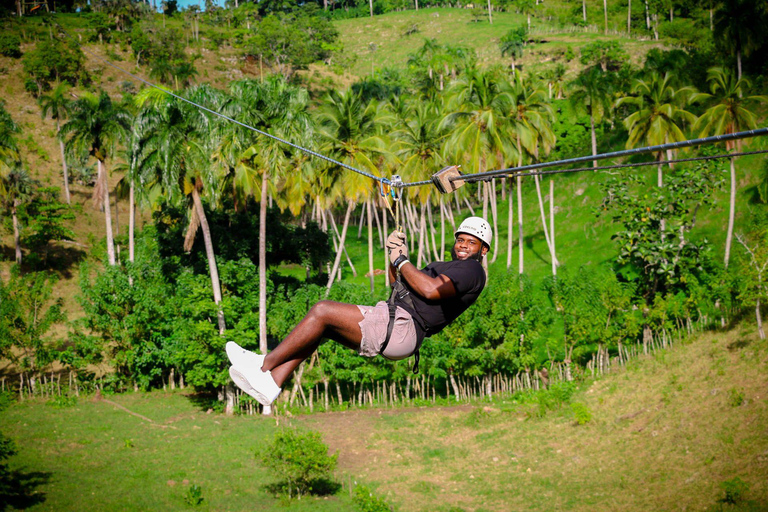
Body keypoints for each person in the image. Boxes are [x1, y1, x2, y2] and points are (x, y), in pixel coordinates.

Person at [227, 216, 492, 406]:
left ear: (483, 249)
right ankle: (272, 382)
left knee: (322, 311)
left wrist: (402, 259)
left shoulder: (471, 271)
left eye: (471, 242)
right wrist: (393, 255)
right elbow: (397, 283)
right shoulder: (447, 265)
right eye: (460, 240)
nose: (463, 245)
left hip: (402, 327)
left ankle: (262, 366)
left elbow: (431, 290)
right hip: (397, 323)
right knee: (321, 329)